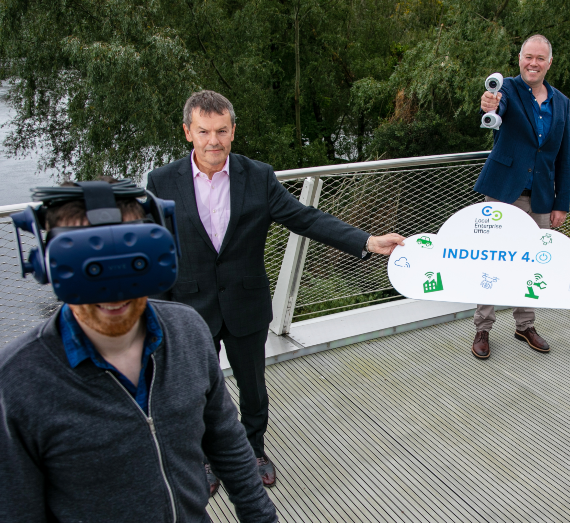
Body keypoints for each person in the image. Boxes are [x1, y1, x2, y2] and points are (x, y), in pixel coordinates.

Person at [0, 180, 287, 523]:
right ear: (50, 265)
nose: (114, 290)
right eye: (89, 268)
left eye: (131, 258)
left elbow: (226, 438)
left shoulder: (187, 331)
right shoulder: (16, 386)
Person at [147, 90, 404, 487]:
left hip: (246, 305)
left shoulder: (258, 176)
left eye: (221, 131)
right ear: (187, 133)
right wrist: (157, 313)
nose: (212, 140)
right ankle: (204, 458)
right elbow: (154, 248)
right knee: (196, 390)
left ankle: (252, 450)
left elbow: (306, 218)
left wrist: (367, 242)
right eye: (203, 131)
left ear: (233, 131)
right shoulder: (161, 182)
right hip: (190, 308)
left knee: (253, 390)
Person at [471, 34, 570, 360]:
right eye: (528, 56)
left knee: (533, 265)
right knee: (492, 259)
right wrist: (489, 103)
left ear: (549, 63)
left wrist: (561, 203)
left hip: (541, 197)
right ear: (520, 58)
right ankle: (483, 328)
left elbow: (562, 155)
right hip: (504, 192)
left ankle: (524, 325)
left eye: (540, 58)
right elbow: (495, 105)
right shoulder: (508, 90)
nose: (533, 63)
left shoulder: (561, 103)